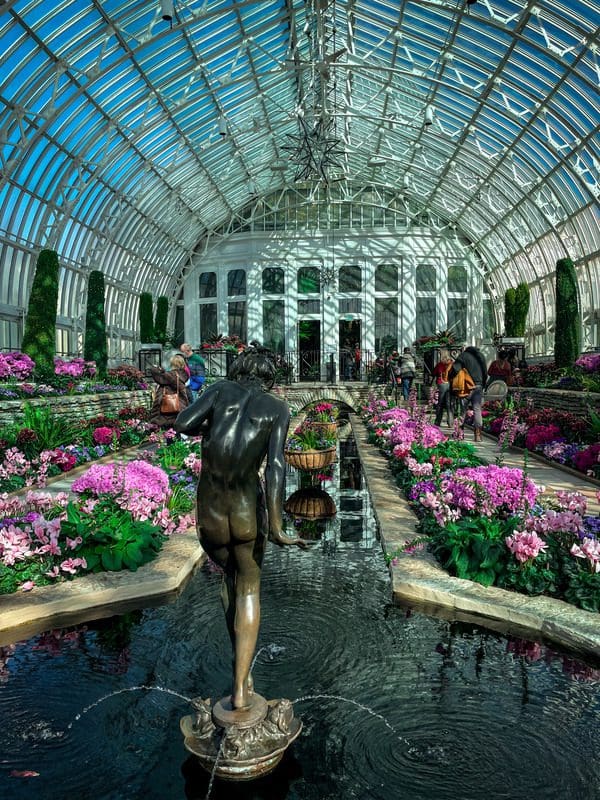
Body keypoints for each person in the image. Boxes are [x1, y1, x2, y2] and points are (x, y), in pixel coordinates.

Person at [174, 347, 306, 711]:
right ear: (269, 378)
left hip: (210, 511)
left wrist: (213, 424)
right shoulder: (278, 408)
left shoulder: (219, 390)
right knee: (248, 588)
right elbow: (276, 465)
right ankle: (242, 688)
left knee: (228, 579)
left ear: (239, 371)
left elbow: (181, 423)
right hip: (247, 509)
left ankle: (241, 670)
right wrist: (277, 526)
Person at [448, 345, 487, 442]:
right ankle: (478, 434)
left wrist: (450, 377)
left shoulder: (463, 356)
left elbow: (455, 369)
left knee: (463, 409)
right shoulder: (481, 356)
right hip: (479, 386)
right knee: (477, 409)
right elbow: (485, 372)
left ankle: (459, 432)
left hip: (466, 387)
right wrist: (483, 384)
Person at [149, 354, 190, 429]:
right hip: (180, 404)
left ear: (173, 364)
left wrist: (154, 368)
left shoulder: (172, 375)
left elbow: (159, 376)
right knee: (176, 427)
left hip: (168, 405)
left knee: (167, 427)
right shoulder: (182, 375)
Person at [433, 349, 454, 427]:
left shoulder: (440, 364)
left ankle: (438, 421)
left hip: (441, 384)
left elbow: (434, 372)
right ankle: (450, 422)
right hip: (450, 384)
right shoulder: (452, 364)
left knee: (440, 403)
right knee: (450, 403)